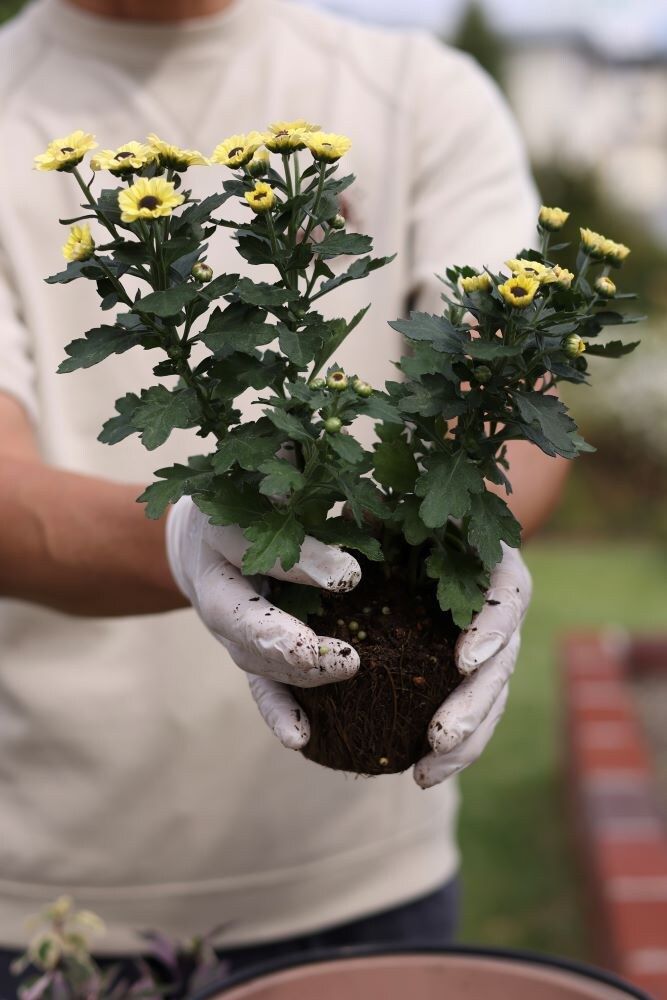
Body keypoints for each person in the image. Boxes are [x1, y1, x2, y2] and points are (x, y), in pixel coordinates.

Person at [0, 0, 568, 990]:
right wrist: (192, 538)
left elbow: (507, 386)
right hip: (54, 905)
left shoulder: (421, 93)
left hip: (371, 882)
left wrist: (473, 519)